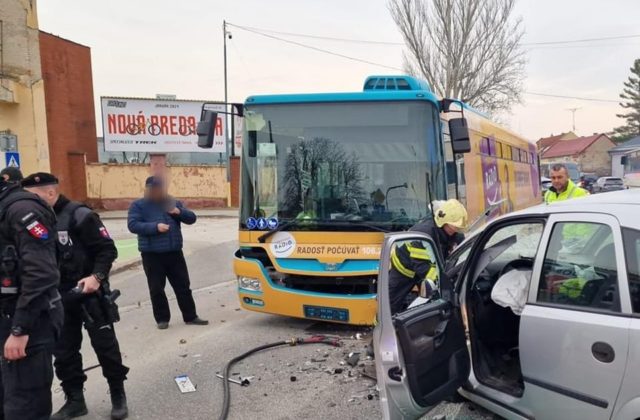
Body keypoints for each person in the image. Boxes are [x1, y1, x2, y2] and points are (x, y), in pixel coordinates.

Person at [22, 173, 129, 420]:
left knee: (106, 349)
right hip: (58, 298)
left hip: (89, 293)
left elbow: (107, 250)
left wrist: (96, 277)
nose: (29, 204)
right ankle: (75, 400)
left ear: (50, 193)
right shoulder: (34, 220)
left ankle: (118, 395)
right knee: (64, 352)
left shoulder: (80, 215)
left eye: (33, 197)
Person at [0, 173, 63, 419]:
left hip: (29, 321)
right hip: (9, 316)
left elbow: (42, 274)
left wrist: (20, 329)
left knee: (24, 405)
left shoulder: (22, 210)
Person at [127, 176, 208, 329]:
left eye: (160, 189)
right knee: (157, 288)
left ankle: (191, 316)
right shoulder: (138, 205)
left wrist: (178, 212)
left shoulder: (172, 202)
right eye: (154, 189)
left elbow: (191, 218)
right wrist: (155, 227)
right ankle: (162, 319)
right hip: (152, 254)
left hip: (174, 252)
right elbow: (133, 225)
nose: (158, 192)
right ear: (148, 190)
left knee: (183, 286)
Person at [389, 199, 468, 314]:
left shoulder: (455, 234)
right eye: (454, 226)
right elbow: (425, 268)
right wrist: (445, 284)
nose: (456, 230)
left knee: (430, 305)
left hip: (426, 269)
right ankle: (379, 328)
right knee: (390, 305)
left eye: (458, 227)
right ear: (443, 221)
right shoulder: (421, 235)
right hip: (403, 269)